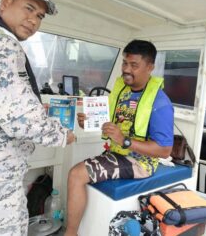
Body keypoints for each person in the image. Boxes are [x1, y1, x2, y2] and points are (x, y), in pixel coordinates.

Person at [0, 0, 75, 235]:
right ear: (5, 2)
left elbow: (6, 103)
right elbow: (21, 119)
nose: (34, 20)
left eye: (40, 16)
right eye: (29, 8)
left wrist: (37, 109)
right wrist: (64, 135)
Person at [65, 40, 174, 235]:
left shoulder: (160, 103)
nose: (126, 69)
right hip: (116, 153)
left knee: (76, 174)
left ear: (150, 67)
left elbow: (164, 150)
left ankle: (70, 233)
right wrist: (90, 122)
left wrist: (124, 140)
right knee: (77, 170)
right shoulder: (123, 90)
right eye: (125, 63)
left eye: (134, 65)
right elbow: (112, 124)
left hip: (140, 163)